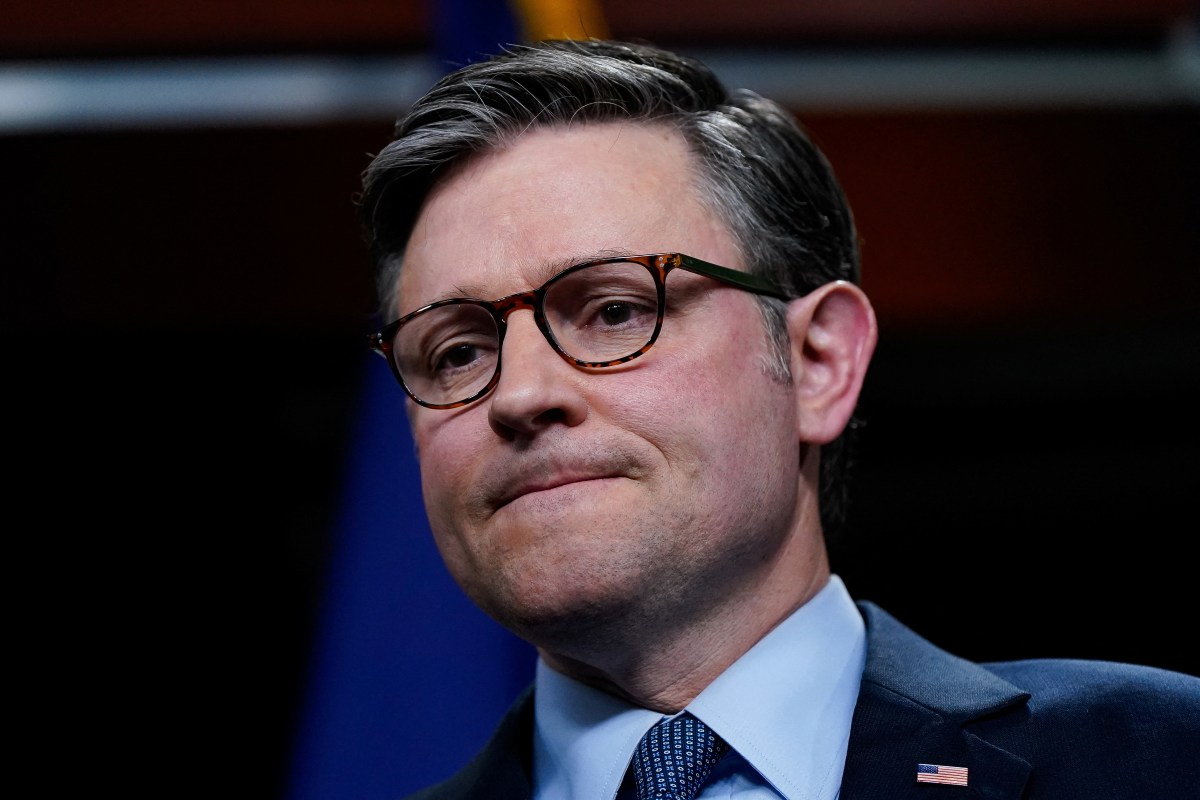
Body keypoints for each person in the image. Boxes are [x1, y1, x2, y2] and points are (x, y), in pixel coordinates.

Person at [357, 38, 1200, 800]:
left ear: (819, 362)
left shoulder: (1162, 760)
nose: (518, 395)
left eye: (614, 310)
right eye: (458, 352)